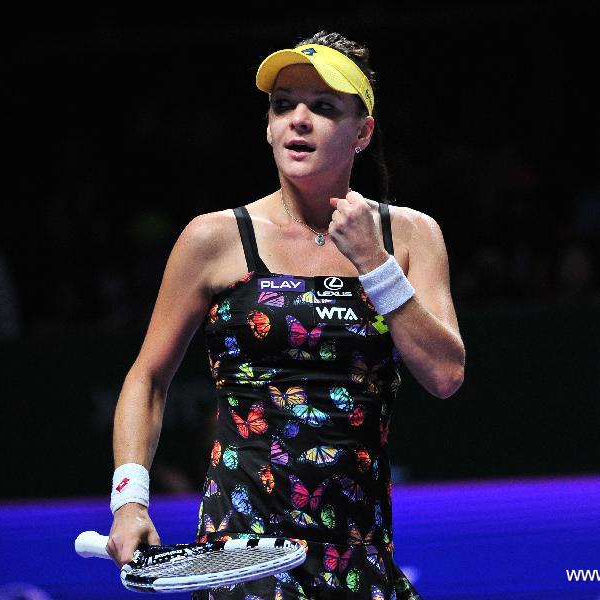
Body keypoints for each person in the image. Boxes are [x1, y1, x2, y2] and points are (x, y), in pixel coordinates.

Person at [105, 31, 465, 599]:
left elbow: (445, 375)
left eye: (323, 108)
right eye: (283, 105)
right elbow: (147, 379)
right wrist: (129, 500)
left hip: (359, 546)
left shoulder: (411, 236)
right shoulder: (215, 238)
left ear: (362, 132)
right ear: (268, 125)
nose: (298, 120)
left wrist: (374, 261)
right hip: (242, 548)